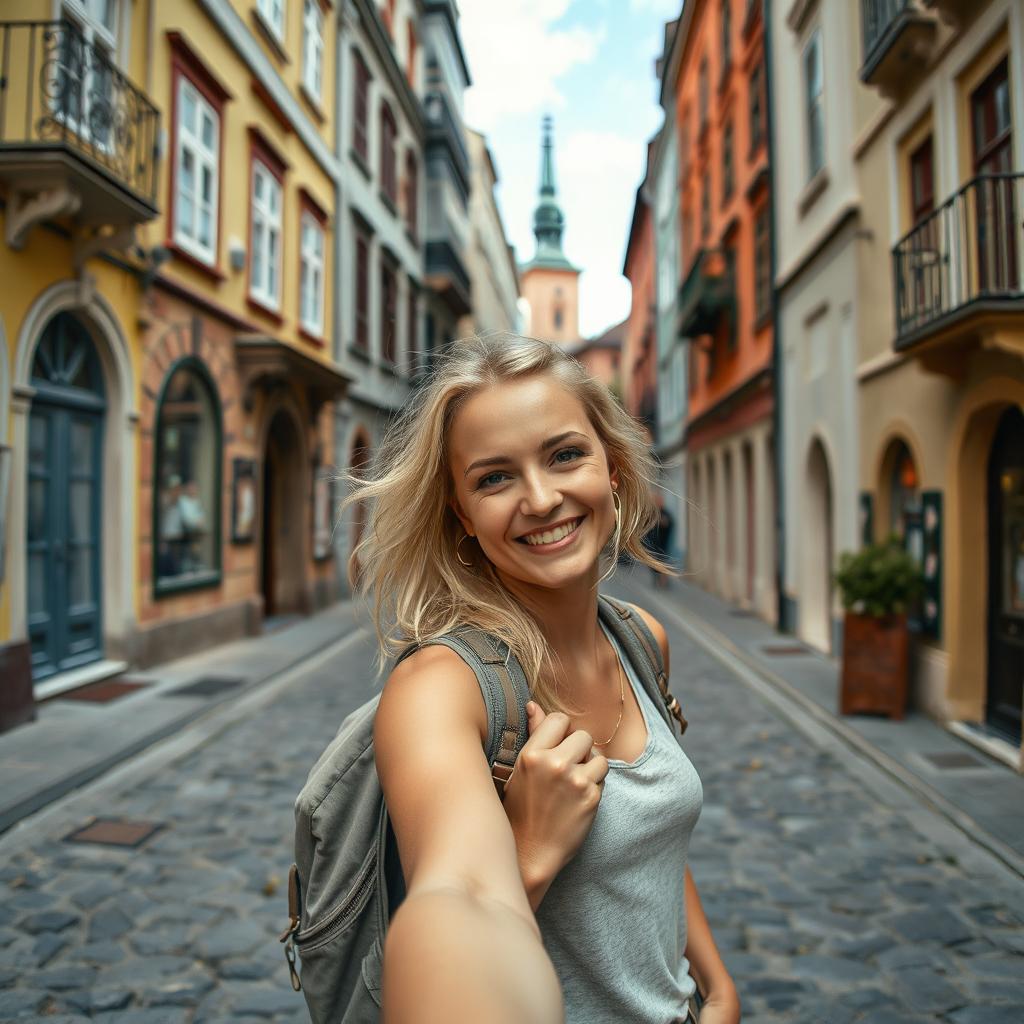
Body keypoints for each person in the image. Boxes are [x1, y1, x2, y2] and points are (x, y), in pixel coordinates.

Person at [344, 334, 740, 1023]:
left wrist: (718, 987)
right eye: (494, 478)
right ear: (461, 514)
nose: (540, 497)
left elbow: (654, 842)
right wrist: (529, 853)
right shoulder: (440, 687)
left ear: (612, 470)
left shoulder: (642, 639)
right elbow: (455, 897)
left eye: (564, 455)